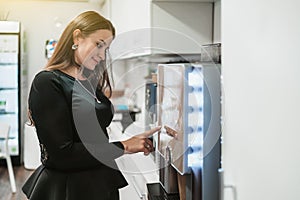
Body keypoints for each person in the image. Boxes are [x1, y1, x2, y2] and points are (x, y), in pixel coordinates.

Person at [22, 10, 161, 200]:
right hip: (69, 189)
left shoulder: (87, 81)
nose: (103, 56)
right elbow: (62, 155)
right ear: (77, 37)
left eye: (106, 49)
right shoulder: (47, 82)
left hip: (100, 183)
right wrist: (125, 146)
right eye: (99, 45)